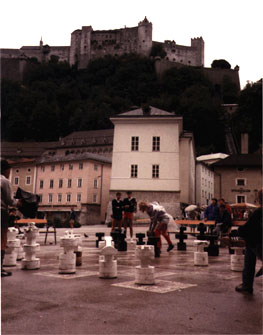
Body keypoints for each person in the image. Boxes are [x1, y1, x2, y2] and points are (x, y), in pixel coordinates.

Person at [235, 189, 262, 295]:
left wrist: (238, 231)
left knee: (249, 249)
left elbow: (246, 230)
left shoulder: (259, 212)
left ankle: (247, 285)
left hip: (259, 246)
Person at [1, 159, 21, 277]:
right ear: (6, 170)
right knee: (2, 240)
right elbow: (9, 200)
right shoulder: (4, 181)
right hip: (1, 212)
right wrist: (18, 202)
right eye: (9, 170)